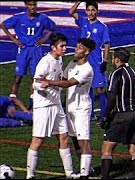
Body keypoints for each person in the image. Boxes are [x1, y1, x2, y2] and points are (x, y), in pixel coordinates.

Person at [39, 38, 96, 179]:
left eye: (79, 48)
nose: (76, 49)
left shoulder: (87, 69)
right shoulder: (72, 64)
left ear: (86, 52)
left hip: (81, 109)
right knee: (75, 140)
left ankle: (84, 175)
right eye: (76, 47)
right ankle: (87, 169)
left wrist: (49, 82)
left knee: (83, 141)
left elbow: (68, 83)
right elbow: (62, 77)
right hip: (70, 108)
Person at [26, 33, 78, 179]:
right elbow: (35, 83)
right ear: (53, 47)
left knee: (64, 137)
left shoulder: (59, 59)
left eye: (65, 45)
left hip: (56, 105)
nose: (65, 48)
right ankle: (30, 175)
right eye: (62, 46)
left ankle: (70, 173)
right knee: (37, 140)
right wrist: (43, 85)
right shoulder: (45, 62)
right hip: (44, 107)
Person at [0, 1, 56, 110]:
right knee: (18, 77)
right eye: (30, 5)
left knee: (34, 77)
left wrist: (44, 39)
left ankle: (33, 104)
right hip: (23, 49)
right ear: (26, 5)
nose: (33, 7)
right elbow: (3, 25)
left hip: (36, 50)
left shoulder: (42, 18)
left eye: (34, 5)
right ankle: (11, 102)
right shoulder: (19, 18)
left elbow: (53, 27)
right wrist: (13, 39)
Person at [100, 47, 135, 179]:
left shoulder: (116, 74)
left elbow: (112, 97)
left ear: (117, 59)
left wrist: (105, 116)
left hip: (122, 115)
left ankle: (105, 177)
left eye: (113, 58)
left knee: (107, 147)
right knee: (134, 149)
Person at [69, 1, 110, 122]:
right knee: (88, 88)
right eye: (88, 10)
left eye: (93, 10)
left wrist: (105, 61)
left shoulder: (102, 27)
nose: (90, 13)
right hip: (84, 61)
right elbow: (71, 12)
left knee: (100, 89)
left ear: (97, 11)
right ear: (85, 11)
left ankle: (104, 116)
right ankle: (91, 115)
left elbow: (106, 44)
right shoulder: (83, 22)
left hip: (96, 61)